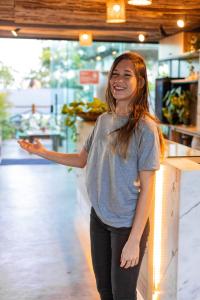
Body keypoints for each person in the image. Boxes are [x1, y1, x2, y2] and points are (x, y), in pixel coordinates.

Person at [18, 51, 165, 300]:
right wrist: (43, 152)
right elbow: (81, 159)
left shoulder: (146, 128)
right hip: (99, 217)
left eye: (126, 75)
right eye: (114, 74)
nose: (117, 80)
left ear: (140, 82)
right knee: (104, 290)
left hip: (126, 226)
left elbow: (149, 188)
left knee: (123, 295)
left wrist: (134, 240)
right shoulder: (103, 120)